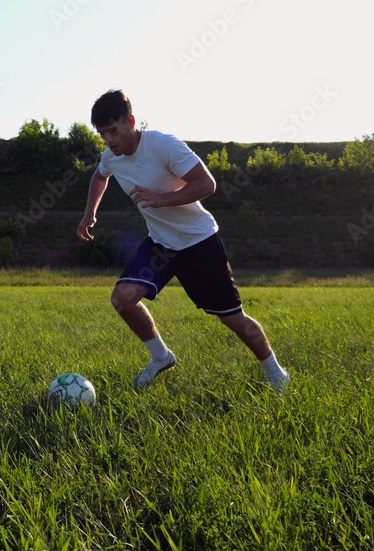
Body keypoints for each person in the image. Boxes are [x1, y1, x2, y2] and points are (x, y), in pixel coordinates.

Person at [77, 90, 290, 393]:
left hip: (198, 242)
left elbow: (206, 184)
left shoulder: (163, 145)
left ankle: (277, 374)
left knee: (231, 318)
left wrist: (163, 199)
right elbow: (100, 176)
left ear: (131, 122)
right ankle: (161, 357)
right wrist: (89, 214)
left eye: (112, 131)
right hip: (162, 245)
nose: (108, 140)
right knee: (123, 298)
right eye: (102, 134)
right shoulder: (111, 157)